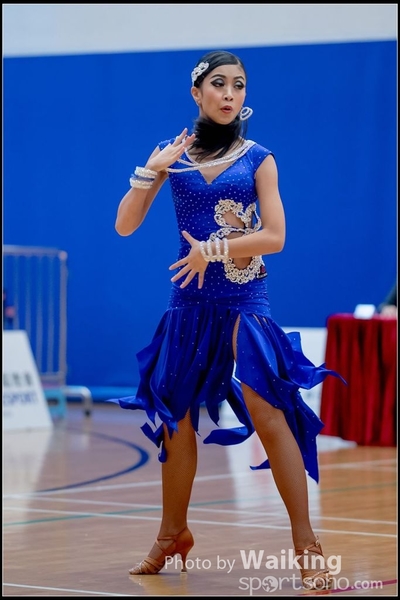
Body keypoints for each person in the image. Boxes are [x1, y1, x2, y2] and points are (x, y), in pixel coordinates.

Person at [111, 50, 344, 590]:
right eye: (219, 84)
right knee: (175, 418)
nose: (230, 94)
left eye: (238, 85)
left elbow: (275, 237)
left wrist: (212, 250)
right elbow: (124, 225)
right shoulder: (175, 158)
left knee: (267, 408)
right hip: (189, 302)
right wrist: (150, 171)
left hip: (244, 298)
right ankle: (172, 533)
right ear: (197, 93)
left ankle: (306, 542)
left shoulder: (259, 158)